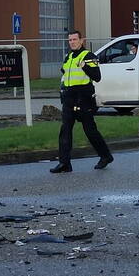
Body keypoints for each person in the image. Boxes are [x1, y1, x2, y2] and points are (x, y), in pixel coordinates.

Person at [50, 30, 114, 173]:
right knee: (65, 131)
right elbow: (65, 74)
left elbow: (97, 77)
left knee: (90, 131)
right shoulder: (68, 57)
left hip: (83, 99)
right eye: (70, 40)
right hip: (69, 99)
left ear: (81, 40)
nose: (72, 42)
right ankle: (64, 163)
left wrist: (84, 65)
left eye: (74, 39)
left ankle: (105, 156)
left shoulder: (89, 56)